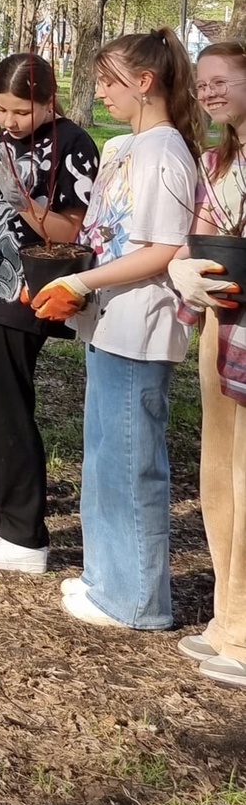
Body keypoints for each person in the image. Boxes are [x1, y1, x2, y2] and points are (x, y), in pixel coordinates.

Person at [24, 30, 200, 628]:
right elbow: (103, 238)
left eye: (109, 81)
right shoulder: (126, 144)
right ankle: (107, 579)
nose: (98, 92)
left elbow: (164, 248)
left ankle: (135, 601)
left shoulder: (164, 151)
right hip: (108, 321)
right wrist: (71, 281)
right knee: (104, 458)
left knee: (129, 461)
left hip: (142, 325)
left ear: (144, 83)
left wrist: (84, 284)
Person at [0, 54, 97, 575]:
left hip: (28, 291)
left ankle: (26, 533)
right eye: (2, 109)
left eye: (22, 112)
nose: (9, 121)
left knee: (7, 404)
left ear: (49, 101)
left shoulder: (72, 146)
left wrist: (26, 203)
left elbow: (70, 233)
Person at [169, 41, 246, 686]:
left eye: (220, 80)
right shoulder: (217, 160)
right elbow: (198, 233)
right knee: (218, 470)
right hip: (221, 324)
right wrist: (181, 268)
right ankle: (228, 618)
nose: (209, 92)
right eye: (202, 84)